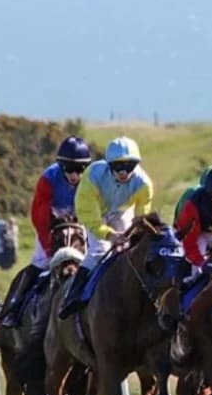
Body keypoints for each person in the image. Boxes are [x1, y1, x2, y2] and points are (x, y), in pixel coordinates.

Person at [0, 136, 92, 327]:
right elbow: (39, 219)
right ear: (61, 166)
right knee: (40, 263)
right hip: (51, 229)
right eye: (69, 169)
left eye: (79, 170)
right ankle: (14, 308)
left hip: (81, 228)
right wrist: (51, 250)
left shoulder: (91, 182)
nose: (74, 175)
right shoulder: (48, 179)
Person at [58, 136, 154, 318]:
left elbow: (140, 220)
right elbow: (91, 219)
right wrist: (110, 236)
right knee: (98, 252)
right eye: (118, 167)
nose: (124, 172)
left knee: (129, 251)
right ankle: (73, 296)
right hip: (95, 213)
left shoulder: (144, 184)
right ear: (109, 165)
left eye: (129, 166)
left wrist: (133, 237)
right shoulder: (93, 176)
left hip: (120, 211)